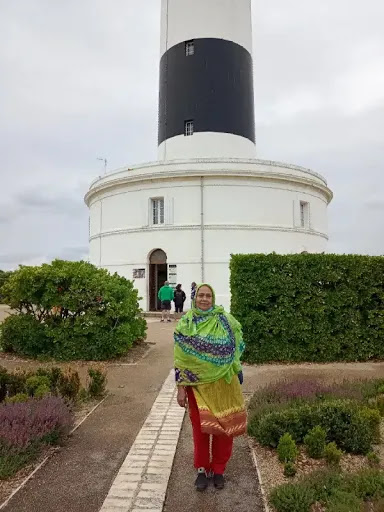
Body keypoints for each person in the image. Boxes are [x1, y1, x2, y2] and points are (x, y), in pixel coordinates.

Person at [174, 283, 246, 492]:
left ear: (213, 299)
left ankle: (219, 470)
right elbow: (180, 359)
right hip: (197, 388)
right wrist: (180, 387)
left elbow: (238, 345)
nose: (204, 299)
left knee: (224, 428)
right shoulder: (186, 324)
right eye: (200, 295)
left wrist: (236, 367)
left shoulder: (225, 320)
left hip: (224, 383)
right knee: (201, 430)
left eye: (208, 296)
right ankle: (201, 470)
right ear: (195, 298)